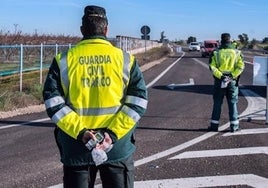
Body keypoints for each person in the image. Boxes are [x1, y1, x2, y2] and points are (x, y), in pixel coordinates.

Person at [43, 5, 148, 188]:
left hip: (77, 148)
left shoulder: (63, 60)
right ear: (106, 29)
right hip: (116, 148)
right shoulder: (125, 59)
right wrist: (113, 134)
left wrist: (82, 133)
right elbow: (138, 101)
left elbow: (53, 102)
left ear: (82, 29)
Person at [208, 33, 244, 132]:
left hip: (220, 81)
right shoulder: (237, 52)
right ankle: (234, 127)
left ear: (221, 40)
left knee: (217, 103)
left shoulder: (216, 52)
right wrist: (232, 76)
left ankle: (214, 126)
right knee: (233, 103)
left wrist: (222, 76)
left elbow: (212, 67)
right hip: (232, 81)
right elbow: (241, 67)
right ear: (230, 40)